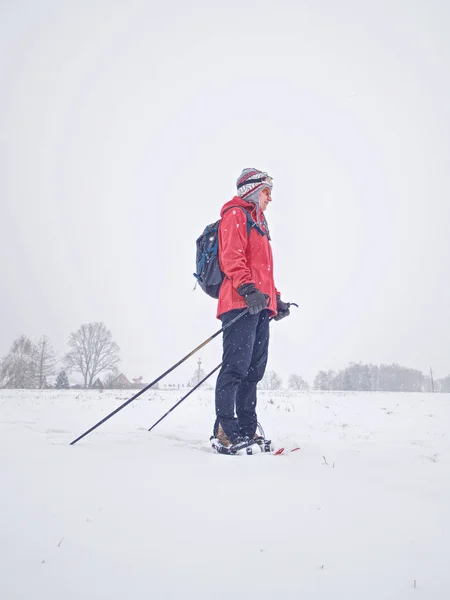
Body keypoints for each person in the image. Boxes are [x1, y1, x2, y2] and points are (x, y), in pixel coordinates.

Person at [211, 168, 290, 454]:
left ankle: (246, 428)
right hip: (238, 305)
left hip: (259, 307)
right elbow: (231, 256)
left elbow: (263, 270)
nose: (270, 198)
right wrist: (246, 288)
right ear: (253, 190)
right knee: (235, 368)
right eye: (267, 191)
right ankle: (225, 431)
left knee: (253, 372)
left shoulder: (260, 222)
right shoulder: (235, 214)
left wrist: (275, 299)